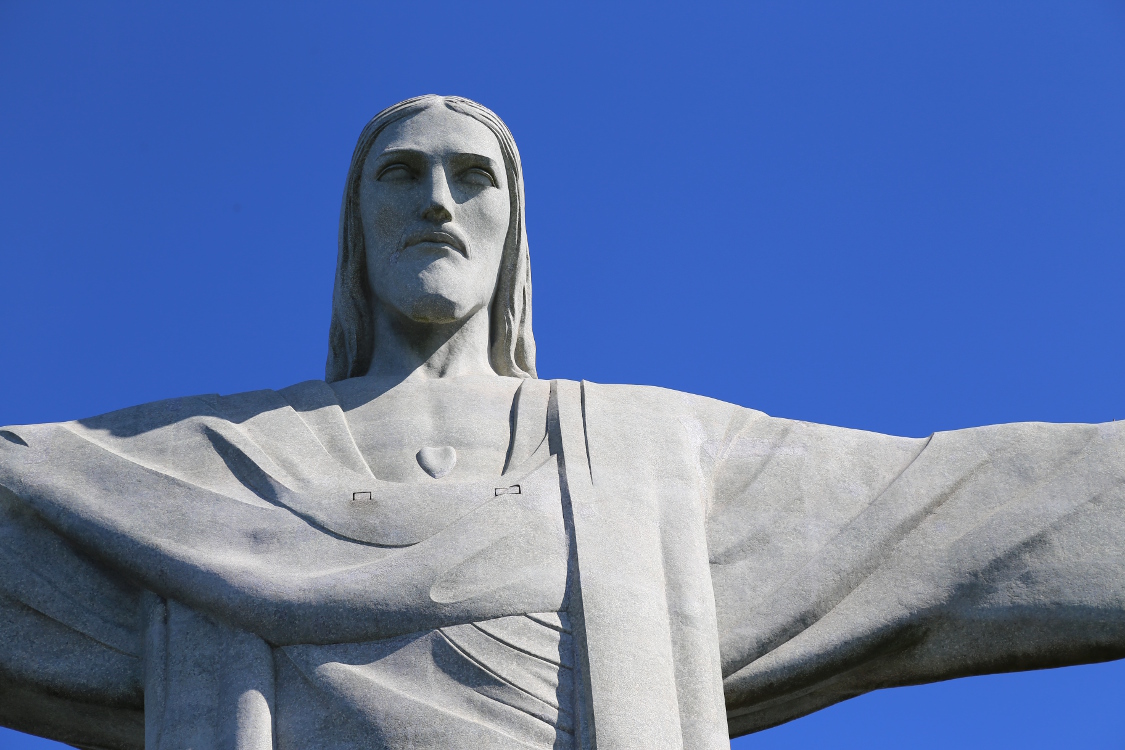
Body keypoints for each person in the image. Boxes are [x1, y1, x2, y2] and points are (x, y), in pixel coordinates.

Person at [1, 95, 1123, 750]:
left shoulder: (644, 455)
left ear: (512, 227)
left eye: (470, 177)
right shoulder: (201, 465)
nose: (436, 201)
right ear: (358, 229)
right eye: (399, 175)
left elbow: (965, 507)